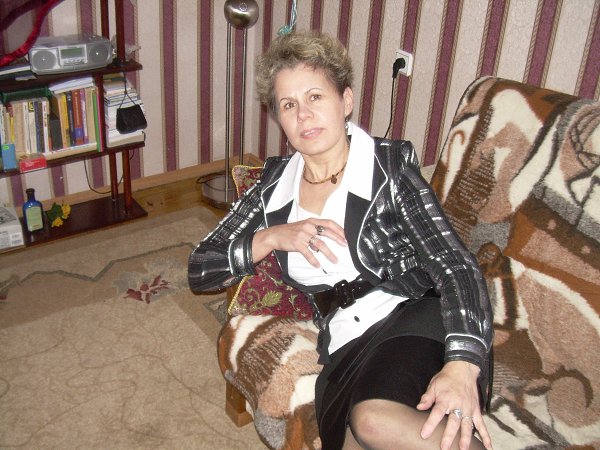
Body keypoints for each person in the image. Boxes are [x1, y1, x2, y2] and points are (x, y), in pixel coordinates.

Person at [188, 30, 493, 450]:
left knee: (374, 421)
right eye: (288, 105)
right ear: (279, 118)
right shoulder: (272, 187)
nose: (304, 115)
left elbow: (454, 262)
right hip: (344, 342)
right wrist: (271, 236)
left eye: (315, 97)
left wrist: (463, 362)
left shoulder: (388, 169)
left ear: (346, 101)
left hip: (410, 315)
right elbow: (200, 269)